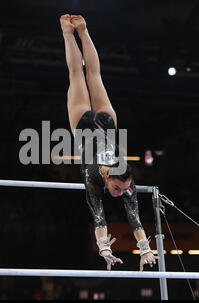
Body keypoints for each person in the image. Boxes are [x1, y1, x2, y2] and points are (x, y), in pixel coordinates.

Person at [60, 14, 159, 271]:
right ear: (108, 177)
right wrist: (105, 247)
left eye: (122, 188)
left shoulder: (123, 178)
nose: (120, 192)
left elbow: (134, 215)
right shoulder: (94, 175)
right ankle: (69, 32)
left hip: (106, 123)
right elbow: (99, 212)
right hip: (86, 122)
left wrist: (143, 250)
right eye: (117, 189)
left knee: (91, 73)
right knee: (78, 74)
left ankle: (82, 31)